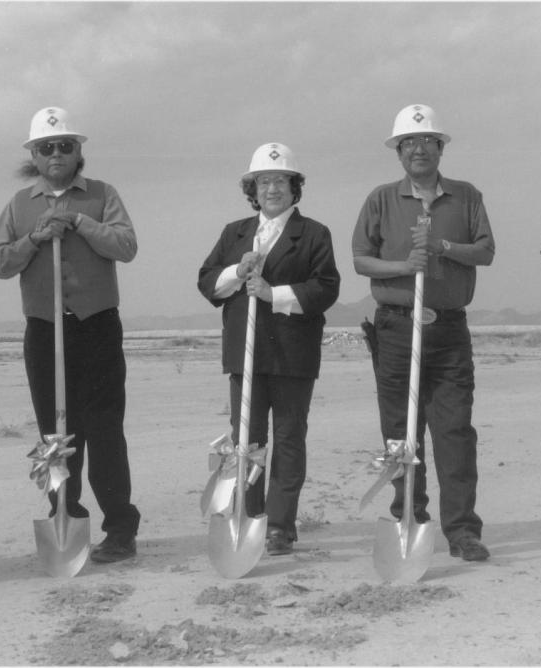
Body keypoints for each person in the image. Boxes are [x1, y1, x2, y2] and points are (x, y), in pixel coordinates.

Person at [0, 107, 140, 563]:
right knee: (57, 433)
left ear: (78, 152)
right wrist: (33, 238)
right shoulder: (19, 204)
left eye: (65, 146)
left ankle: (120, 530)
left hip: (98, 326)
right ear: (34, 154)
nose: (56, 154)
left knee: (106, 429)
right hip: (45, 330)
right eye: (47, 147)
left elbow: (125, 246)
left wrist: (79, 222)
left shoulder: (103, 195)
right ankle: (64, 516)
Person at [352, 104, 495, 562]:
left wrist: (442, 247)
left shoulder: (466, 195)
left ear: (439, 148)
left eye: (426, 142)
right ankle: (408, 515)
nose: (418, 150)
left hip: (448, 328)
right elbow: (360, 259)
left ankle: (462, 530)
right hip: (396, 327)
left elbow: (486, 251)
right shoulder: (380, 199)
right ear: (398, 152)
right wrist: (403, 265)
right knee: (400, 431)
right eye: (408, 144)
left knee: (454, 431)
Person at [198, 143, 340, 555]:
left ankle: (280, 525)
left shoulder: (313, 233)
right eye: (263, 181)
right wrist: (236, 272)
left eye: (280, 180)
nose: (272, 188)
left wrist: (272, 294)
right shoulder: (234, 233)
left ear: (295, 187)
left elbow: (325, 288)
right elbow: (208, 281)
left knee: (289, 437)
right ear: (252, 189)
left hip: (293, 354)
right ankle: (250, 513)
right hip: (244, 352)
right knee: (247, 438)